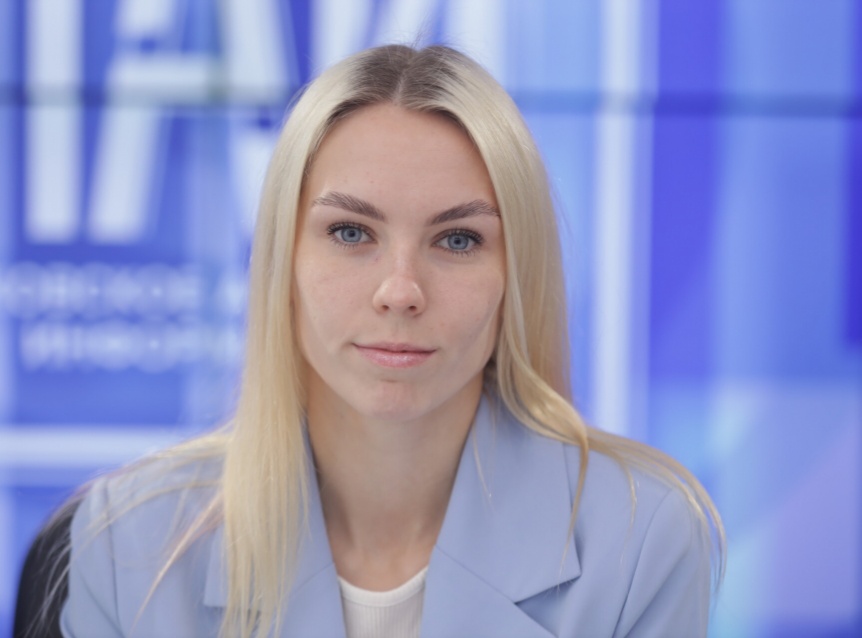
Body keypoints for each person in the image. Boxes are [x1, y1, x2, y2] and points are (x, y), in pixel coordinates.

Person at [58, 44, 724, 638]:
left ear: (516, 277)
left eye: (457, 239)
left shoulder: (641, 541)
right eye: (350, 233)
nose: (400, 290)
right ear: (283, 263)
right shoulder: (129, 546)